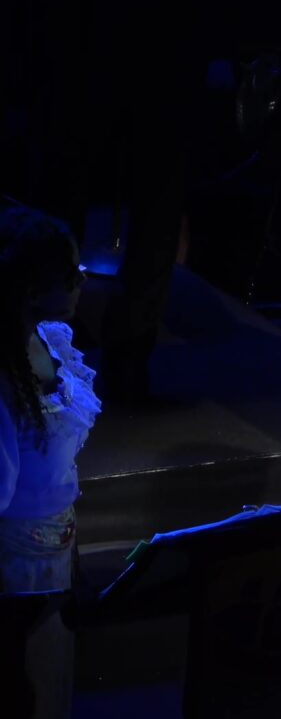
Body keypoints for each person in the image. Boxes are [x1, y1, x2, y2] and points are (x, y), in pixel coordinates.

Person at [0, 205, 100, 719]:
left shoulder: (48, 338)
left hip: (55, 555)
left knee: (53, 681)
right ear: (33, 290)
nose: (82, 282)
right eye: (71, 275)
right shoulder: (4, 379)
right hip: (15, 576)